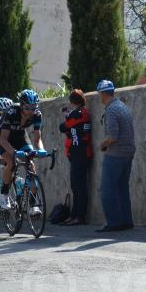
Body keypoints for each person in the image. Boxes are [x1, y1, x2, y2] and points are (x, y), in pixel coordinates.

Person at [0, 89, 47, 213]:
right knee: (11, 163)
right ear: (21, 105)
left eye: (34, 107)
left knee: (31, 165)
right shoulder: (12, 112)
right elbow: (3, 140)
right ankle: (4, 194)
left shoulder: (36, 115)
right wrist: (14, 152)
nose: (31, 111)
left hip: (20, 136)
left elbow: (37, 138)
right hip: (4, 137)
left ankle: (33, 204)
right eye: (27, 108)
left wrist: (41, 149)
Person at [97, 79, 135, 232]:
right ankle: (126, 221)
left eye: (99, 93)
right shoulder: (121, 106)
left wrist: (102, 144)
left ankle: (113, 222)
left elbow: (113, 136)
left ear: (102, 93)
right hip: (128, 152)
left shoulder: (111, 110)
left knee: (107, 189)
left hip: (116, 154)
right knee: (122, 188)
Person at [58, 89, 92, 225]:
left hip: (80, 152)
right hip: (80, 152)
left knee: (79, 186)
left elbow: (63, 127)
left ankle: (79, 216)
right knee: (76, 185)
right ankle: (75, 215)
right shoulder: (81, 113)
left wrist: (66, 116)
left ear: (73, 102)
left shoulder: (77, 113)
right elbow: (70, 128)